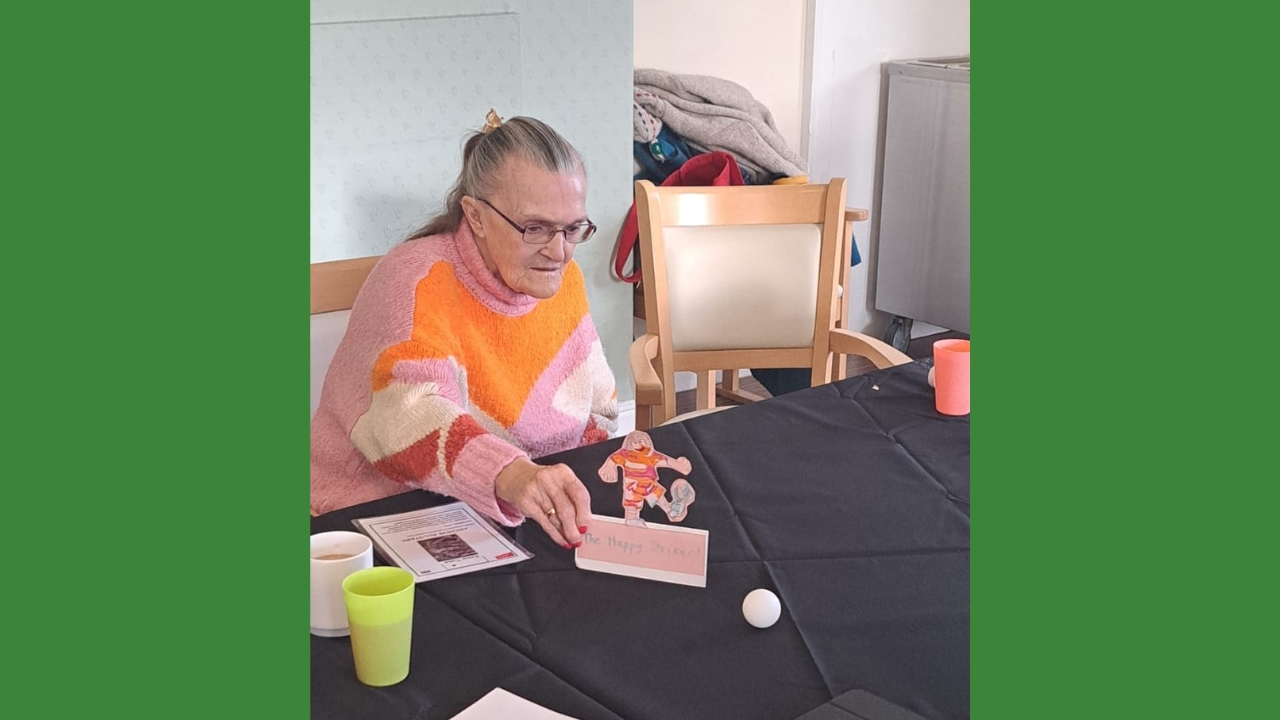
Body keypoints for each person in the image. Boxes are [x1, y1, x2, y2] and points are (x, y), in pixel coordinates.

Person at [311, 111, 618, 550]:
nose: (559, 251)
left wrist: (571, 476)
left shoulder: (563, 278)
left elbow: (597, 405)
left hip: (505, 510)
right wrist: (512, 474)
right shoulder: (416, 278)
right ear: (474, 217)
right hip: (371, 513)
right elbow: (408, 417)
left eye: (572, 229)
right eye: (535, 228)